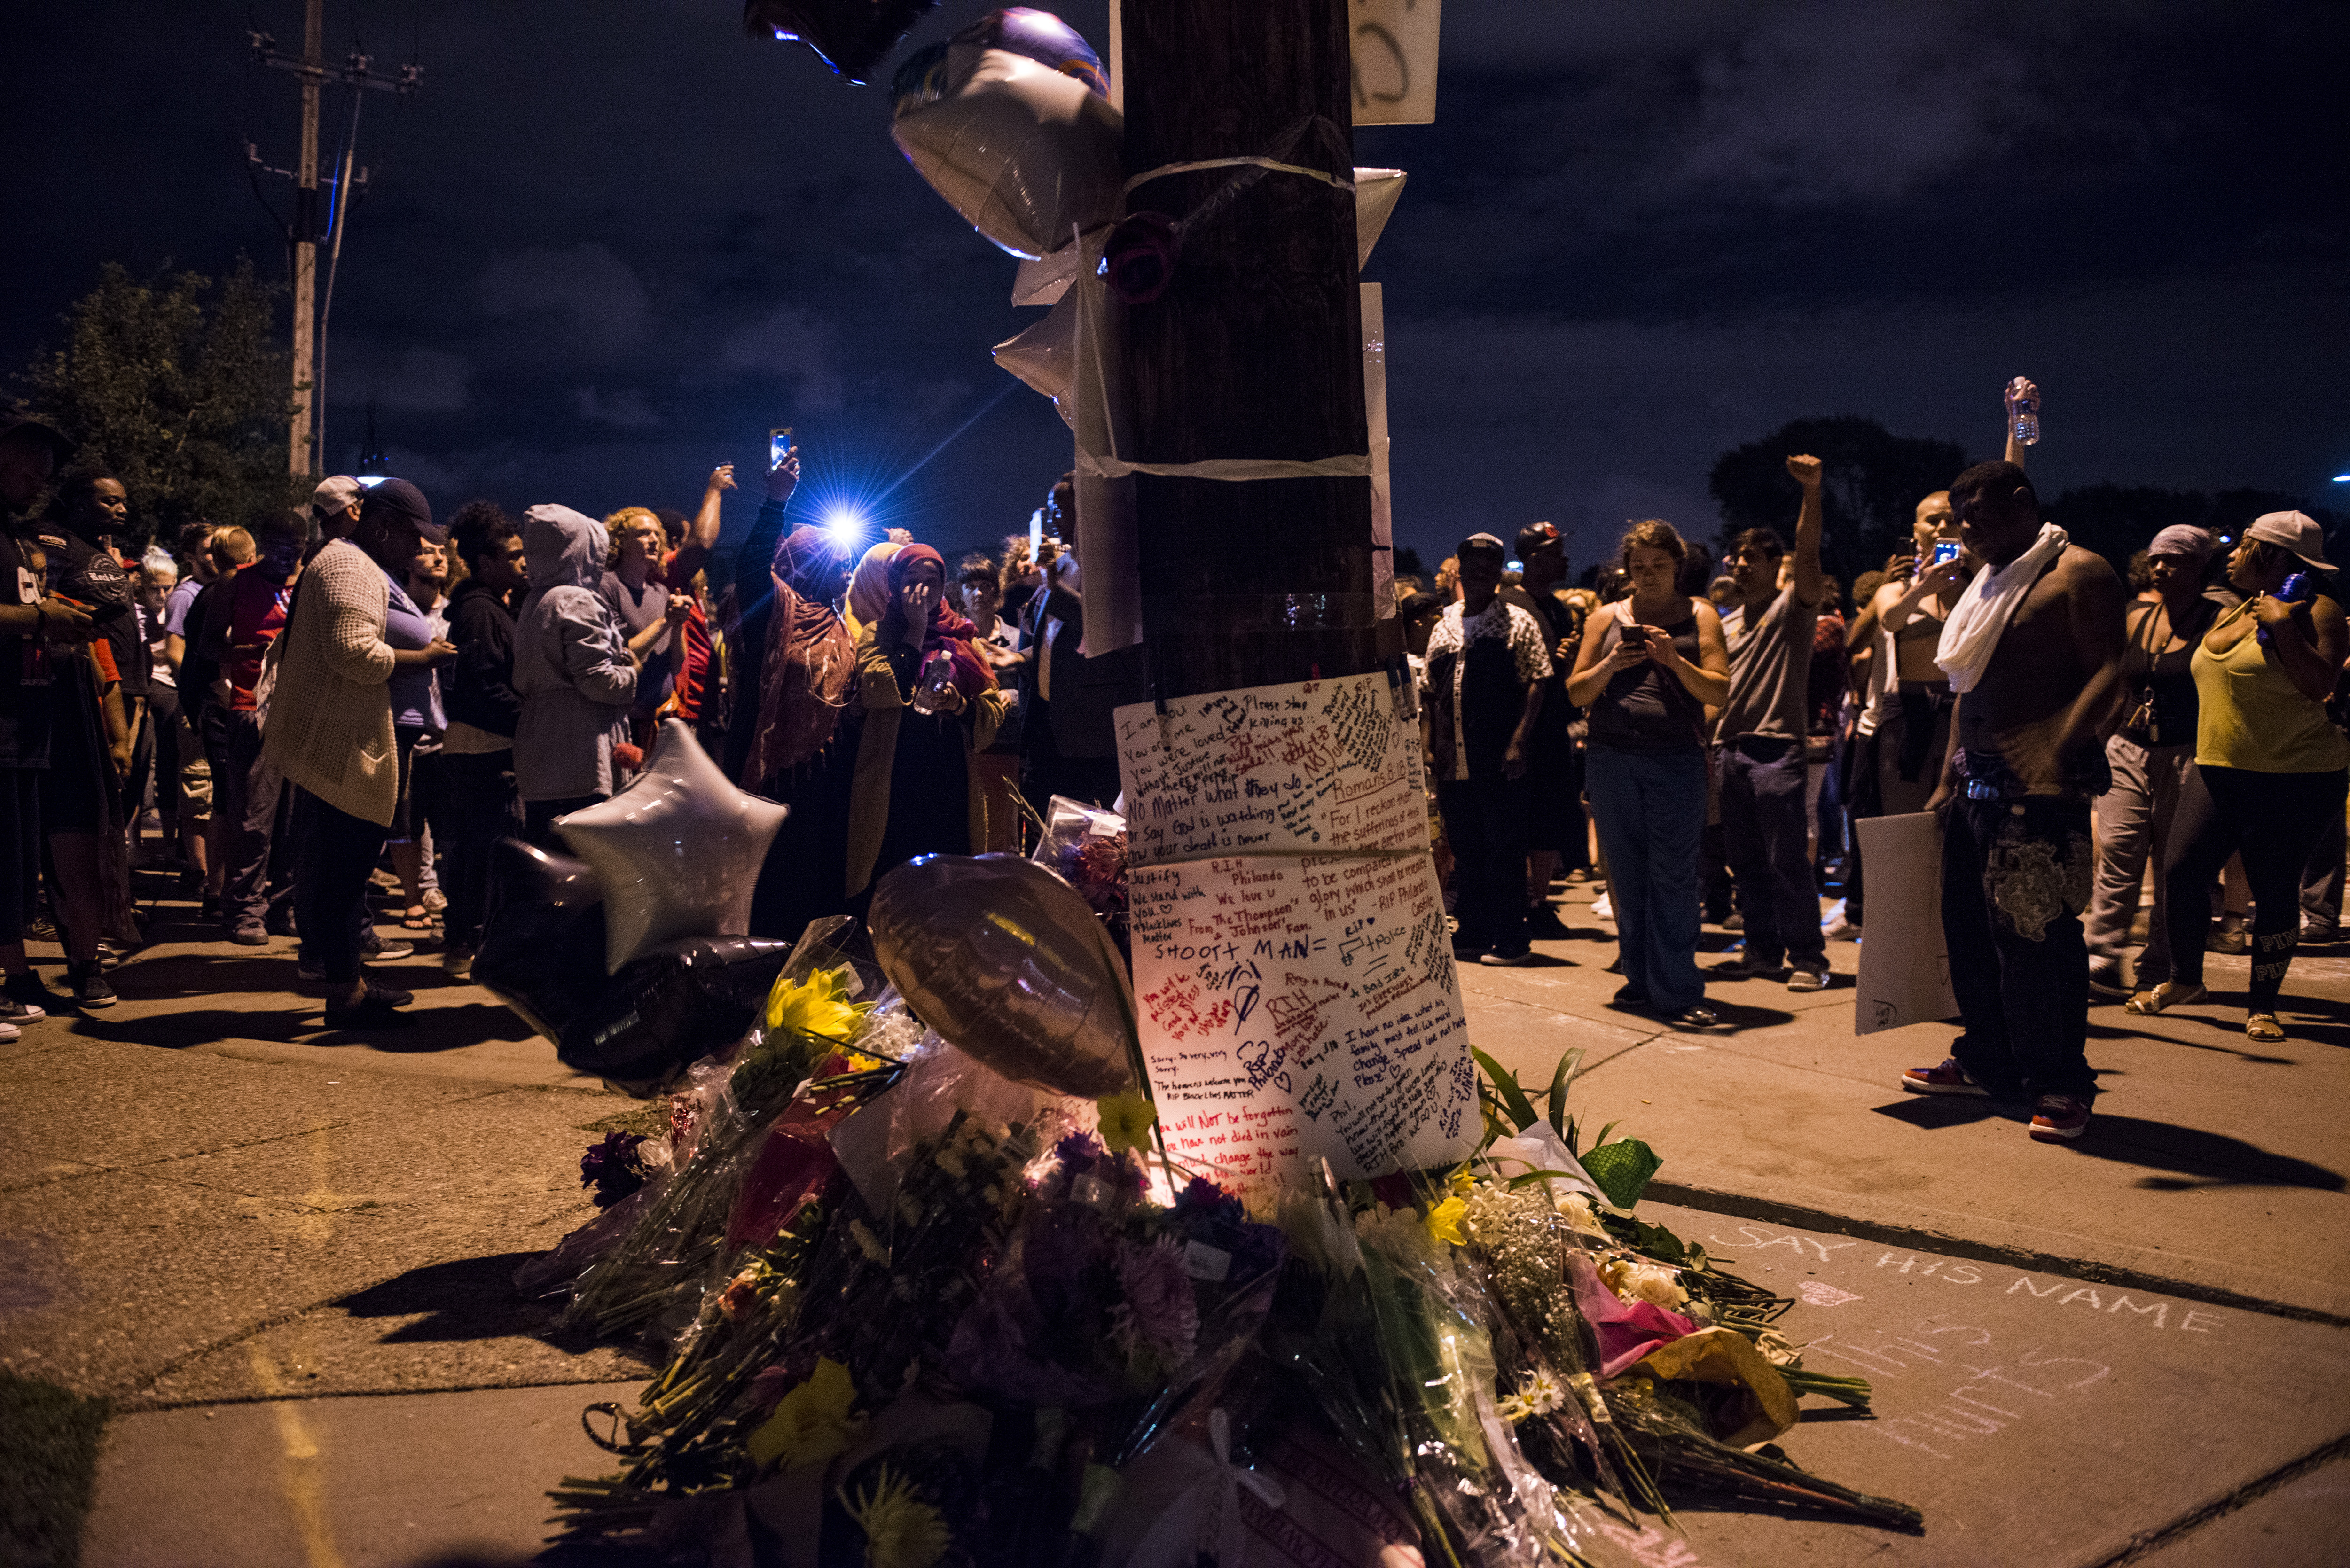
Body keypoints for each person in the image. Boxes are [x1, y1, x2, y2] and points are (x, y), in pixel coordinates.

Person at [1904, 460, 2124, 1143]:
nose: (1968, 530)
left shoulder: (2077, 572)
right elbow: (1965, 691)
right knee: (1970, 937)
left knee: (2039, 942)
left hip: (2041, 798)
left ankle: (2061, 1081)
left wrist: (2059, 742)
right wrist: (1946, 778)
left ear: (2024, 503)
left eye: (1980, 516)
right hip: (1976, 787)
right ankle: (1988, 1061)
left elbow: (2116, 672)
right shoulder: (1991, 582)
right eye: (1961, 517)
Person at [2127, 513, 2348, 1043]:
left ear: (2276, 557)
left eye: (2243, 545)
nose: (2228, 553)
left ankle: (2262, 1005)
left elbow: (2320, 684)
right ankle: (2185, 981)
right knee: (2181, 870)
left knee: (2272, 890)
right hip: (2219, 766)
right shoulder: (2239, 607)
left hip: (2292, 774)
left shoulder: (2320, 610)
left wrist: (2283, 628)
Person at [263, 479, 453, 1029]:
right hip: (347, 741)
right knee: (346, 874)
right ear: (382, 525)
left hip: (343, 737)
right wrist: (424, 658)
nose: (419, 549)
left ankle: (346, 982)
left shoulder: (347, 562)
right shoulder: (351, 567)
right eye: (414, 536)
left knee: (338, 869)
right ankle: (344, 995)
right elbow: (354, 653)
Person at [1567, 520, 1730, 1024]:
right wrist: (1612, 663)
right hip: (1611, 759)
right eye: (1638, 567)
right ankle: (1639, 979)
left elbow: (1718, 691)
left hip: (1675, 761)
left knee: (1673, 877)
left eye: (1659, 565)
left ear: (1677, 566)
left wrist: (1673, 662)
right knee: (1626, 875)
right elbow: (1575, 693)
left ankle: (1677, 989)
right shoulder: (1603, 619)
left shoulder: (1699, 614)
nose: (1648, 576)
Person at [2083, 526, 2227, 999]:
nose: (2161, 568)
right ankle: (2100, 955)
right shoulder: (2135, 617)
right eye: (2156, 559)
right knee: (2118, 850)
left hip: (2188, 751)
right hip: (2126, 747)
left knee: (2173, 864)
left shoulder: (2219, 619)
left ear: (2200, 566)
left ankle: (2159, 965)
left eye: (2174, 560)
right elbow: (2113, 684)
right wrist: (2091, 742)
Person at [1709, 454, 1831, 991]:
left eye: (1751, 557)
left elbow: (1808, 552)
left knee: (1786, 862)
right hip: (1728, 750)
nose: (1738, 565)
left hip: (1776, 749)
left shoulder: (1791, 610)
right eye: (1734, 556)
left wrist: (1810, 492)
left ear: (1771, 562)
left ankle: (1808, 958)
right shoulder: (1723, 623)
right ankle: (1761, 950)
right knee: (1746, 864)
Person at [842, 545, 1007, 903]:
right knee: (894, 881)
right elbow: (877, 688)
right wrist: (915, 632)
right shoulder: (878, 633)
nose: (923, 591)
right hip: (896, 779)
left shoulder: (964, 637)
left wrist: (959, 703)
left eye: (931, 582)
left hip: (950, 778)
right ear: (894, 585)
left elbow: (992, 711)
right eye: (911, 581)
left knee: (949, 884)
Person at [37, 469, 143, 1001]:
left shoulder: (102, 553)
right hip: (44, 702)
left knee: (83, 843)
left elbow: (104, 655)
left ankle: (86, 958)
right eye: (108, 500)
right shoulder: (45, 542)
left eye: (124, 501)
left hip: (96, 697)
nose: (120, 509)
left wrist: (120, 734)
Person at [0, 412, 90, 1029]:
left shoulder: (19, 536)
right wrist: (40, 619)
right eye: (33, 464)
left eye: (49, 471)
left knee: (15, 866)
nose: (42, 480)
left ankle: (16, 977)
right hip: (1, 727)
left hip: (26, 725)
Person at [1424, 532, 1551, 966]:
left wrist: (1519, 740)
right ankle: (1475, 930)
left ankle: (1511, 938)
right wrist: (1430, 748)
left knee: (1504, 849)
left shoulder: (1518, 621)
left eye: (1489, 564)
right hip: (1452, 760)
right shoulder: (1444, 624)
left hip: (1498, 757)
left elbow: (1539, 677)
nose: (1480, 571)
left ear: (1498, 571)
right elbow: (1429, 691)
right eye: (1472, 564)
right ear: (1459, 569)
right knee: (1467, 847)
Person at [437, 502, 528, 976]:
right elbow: (484, 684)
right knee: (483, 853)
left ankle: (467, 942)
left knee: (481, 851)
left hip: (485, 746)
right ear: (487, 562)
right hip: (483, 750)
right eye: (512, 557)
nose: (522, 564)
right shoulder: (480, 613)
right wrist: (530, 721)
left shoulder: (491, 608)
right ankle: (464, 944)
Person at [513, 505, 640, 843]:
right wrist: (631, 673)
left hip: (539, 749)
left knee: (548, 862)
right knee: (586, 868)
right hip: (579, 751)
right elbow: (597, 680)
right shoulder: (578, 599)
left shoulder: (535, 601)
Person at [216, 510, 306, 945]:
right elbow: (206, 644)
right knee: (255, 817)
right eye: (284, 550)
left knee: (293, 819)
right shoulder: (238, 582)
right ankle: (244, 910)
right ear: (266, 544)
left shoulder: (308, 585)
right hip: (251, 706)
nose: (291, 559)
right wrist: (244, 649)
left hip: (300, 711)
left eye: (300, 550)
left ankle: (284, 905)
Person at [1501, 522, 1585, 928]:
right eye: (1554, 552)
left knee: (1548, 819)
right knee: (1517, 819)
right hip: (1519, 731)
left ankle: (1539, 903)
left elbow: (1560, 673)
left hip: (1552, 729)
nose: (1564, 559)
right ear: (1534, 558)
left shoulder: (1557, 608)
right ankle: (1517, 901)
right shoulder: (1509, 604)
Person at [1018, 547, 1140, 814]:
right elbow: (1053, 642)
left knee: (1093, 834)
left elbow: (1111, 630)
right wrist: (1022, 659)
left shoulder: (1109, 563)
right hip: (1046, 723)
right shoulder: (1060, 566)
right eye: (1053, 504)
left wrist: (1055, 588)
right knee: (1043, 823)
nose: (1056, 512)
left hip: (1091, 733)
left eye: (1062, 503)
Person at [959, 553, 1029, 852]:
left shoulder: (1016, 637)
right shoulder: (956, 637)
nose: (978, 593)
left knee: (1005, 827)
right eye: (970, 586)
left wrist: (1010, 696)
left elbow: (1033, 685)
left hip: (1008, 742)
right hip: (969, 742)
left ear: (997, 591)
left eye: (986, 586)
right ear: (960, 592)